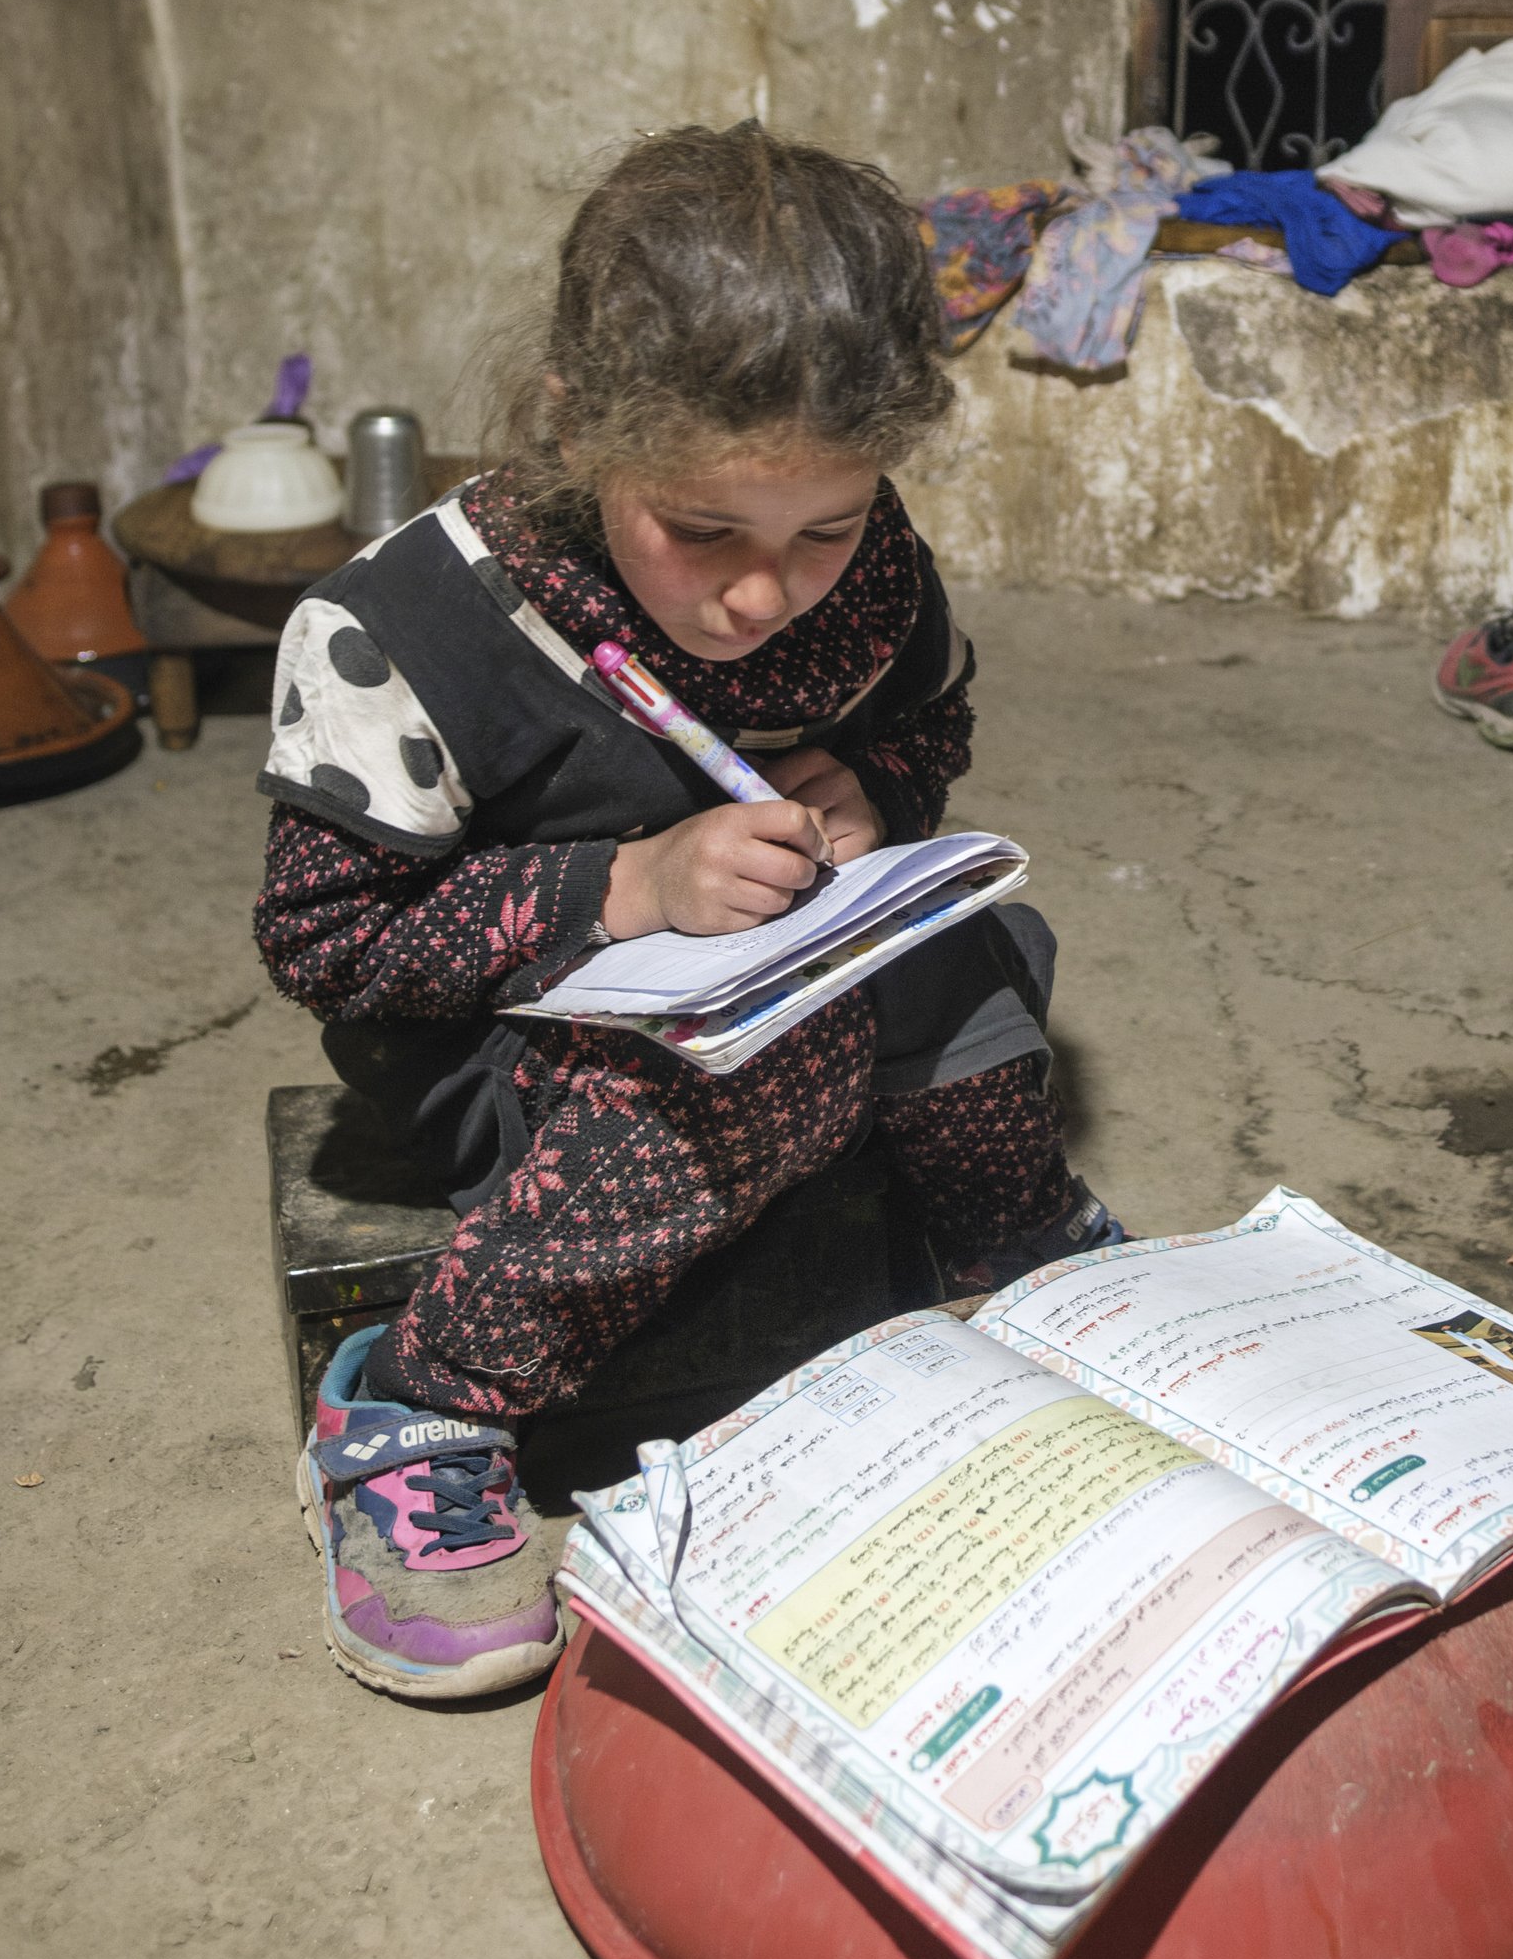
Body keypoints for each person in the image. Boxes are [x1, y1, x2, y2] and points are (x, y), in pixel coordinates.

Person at [253, 122, 1119, 1705]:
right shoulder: (399, 626)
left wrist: (870, 786)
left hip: (785, 970)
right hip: (505, 1050)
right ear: (579, 426)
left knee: (970, 955)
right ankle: (421, 1399)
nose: (762, 595)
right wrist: (629, 887)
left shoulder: (871, 572)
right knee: (745, 1075)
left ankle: (1014, 1243)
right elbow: (329, 939)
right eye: (704, 528)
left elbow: (932, 726)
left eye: (826, 529)